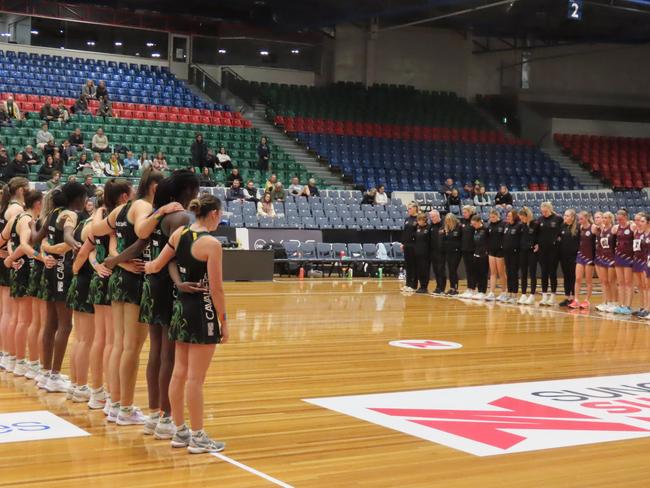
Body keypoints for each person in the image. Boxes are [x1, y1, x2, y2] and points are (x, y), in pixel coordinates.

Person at [92, 168, 182, 425]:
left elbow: (95, 230)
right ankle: (125, 408)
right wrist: (161, 212)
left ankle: (114, 402)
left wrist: (116, 260)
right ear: (154, 187)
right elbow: (143, 232)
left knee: (119, 344)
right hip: (134, 281)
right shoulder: (143, 206)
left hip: (118, 280)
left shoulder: (120, 209)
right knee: (130, 347)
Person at [144, 194, 228, 454]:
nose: (220, 219)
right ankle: (199, 436)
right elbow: (216, 289)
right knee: (195, 378)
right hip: (203, 312)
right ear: (213, 213)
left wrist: (144, 266)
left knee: (179, 373)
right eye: (220, 215)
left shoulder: (179, 233)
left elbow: (157, 265)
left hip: (179, 307)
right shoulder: (211, 244)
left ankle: (180, 431)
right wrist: (224, 322)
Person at [138, 170, 200, 439]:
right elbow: (175, 257)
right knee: (169, 356)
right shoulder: (183, 217)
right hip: (168, 285)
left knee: (155, 353)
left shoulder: (157, 215)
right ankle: (166, 417)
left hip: (151, 285)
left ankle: (154, 415)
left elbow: (141, 241)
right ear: (185, 191)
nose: (196, 196)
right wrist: (179, 283)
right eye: (194, 190)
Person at [39, 182, 88, 393]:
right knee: (65, 325)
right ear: (78, 198)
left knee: (50, 324)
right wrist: (56, 248)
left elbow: (37, 239)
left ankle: (45, 372)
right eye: (85, 197)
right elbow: (68, 239)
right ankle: (55, 375)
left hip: (49, 271)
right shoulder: (70, 214)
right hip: (62, 270)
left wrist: (44, 251)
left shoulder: (52, 213)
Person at [2, 189, 53, 377]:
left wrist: (8, 253)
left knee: (17, 318)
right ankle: (27, 363)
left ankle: (13, 359)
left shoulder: (15, 219)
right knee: (28, 321)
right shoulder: (27, 220)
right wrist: (40, 258)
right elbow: (24, 245)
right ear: (38, 204)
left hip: (19, 268)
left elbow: (6, 239)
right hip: (27, 268)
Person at [0, 177, 30, 374]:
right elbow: (12, 240)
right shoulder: (16, 210)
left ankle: (5, 353)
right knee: (10, 313)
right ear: (20, 190)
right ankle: (8, 354)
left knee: (6, 312)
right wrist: (9, 255)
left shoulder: (7, 207)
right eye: (26, 189)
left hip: (5, 259)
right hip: (10, 261)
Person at [537, 202, 563, 306]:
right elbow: (536, 233)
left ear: (550, 209)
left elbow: (563, 231)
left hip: (554, 250)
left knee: (552, 273)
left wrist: (558, 239)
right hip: (542, 250)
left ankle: (552, 296)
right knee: (544, 273)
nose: (544, 213)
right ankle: (544, 296)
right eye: (542, 211)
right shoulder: (539, 220)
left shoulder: (558, 219)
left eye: (546, 211)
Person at [569, 211, 596, 309]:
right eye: (579, 219)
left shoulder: (593, 227)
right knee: (578, 278)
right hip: (581, 255)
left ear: (587, 218)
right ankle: (576, 299)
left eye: (581, 219)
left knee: (588, 280)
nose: (579, 220)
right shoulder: (580, 228)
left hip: (589, 257)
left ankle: (587, 300)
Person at [611, 209, 635, 315]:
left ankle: (628, 306)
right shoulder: (616, 228)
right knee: (620, 282)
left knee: (628, 283)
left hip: (629, 257)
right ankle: (621, 305)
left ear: (625, 216)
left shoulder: (632, 226)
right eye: (617, 219)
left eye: (620, 219)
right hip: (618, 257)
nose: (619, 221)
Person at [594, 212, 618, 313]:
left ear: (611, 219)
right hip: (603, 258)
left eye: (606, 218)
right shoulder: (602, 230)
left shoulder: (613, 229)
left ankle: (615, 302)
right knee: (605, 281)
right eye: (603, 217)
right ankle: (607, 302)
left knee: (612, 281)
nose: (604, 219)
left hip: (612, 258)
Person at [558, 209, 580, 307]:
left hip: (574, 256)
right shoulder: (562, 226)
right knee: (566, 276)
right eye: (564, 215)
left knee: (573, 277)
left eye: (567, 216)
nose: (565, 217)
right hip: (563, 256)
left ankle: (575, 298)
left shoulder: (578, 228)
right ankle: (568, 297)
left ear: (572, 217)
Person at [517, 207, 539, 305]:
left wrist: (538, 244)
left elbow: (540, 237)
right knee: (523, 273)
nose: (521, 219)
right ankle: (523, 294)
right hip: (522, 252)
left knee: (532, 273)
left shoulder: (535, 224)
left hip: (532, 252)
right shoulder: (521, 225)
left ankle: (532, 294)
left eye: (522, 217)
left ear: (527, 216)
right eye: (520, 218)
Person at [486, 208, 507, 301]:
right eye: (490, 217)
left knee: (501, 273)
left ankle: (504, 292)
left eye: (493, 217)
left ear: (498, 216)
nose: (492, 218)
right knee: (493, 273)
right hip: (491, 251)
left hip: (500, 251)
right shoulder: (489, 226)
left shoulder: (503, 224)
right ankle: (491, 292)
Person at [502, 209, 523, 303]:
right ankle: (509, 292)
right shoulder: (506, 226)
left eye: (509, 216)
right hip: (506, 253)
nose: (508, 218)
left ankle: (514, 294)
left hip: (515, 253)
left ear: (514, 217)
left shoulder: (519, 225)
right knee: (509, 273)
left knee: (514, 273)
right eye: (507, 216)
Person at [458, 206, 477, 298]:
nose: (463, 214)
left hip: (472, 249)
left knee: (473, 270)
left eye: (465, 212)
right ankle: (469, 288)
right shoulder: (463, 222)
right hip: (465, 249)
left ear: (470, 212)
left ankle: (473, 289)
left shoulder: (474, 220)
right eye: (463, 212)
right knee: (468, 270)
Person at [632, 213, 649, 317]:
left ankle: (647, 308)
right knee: (642, 286)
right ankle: (643, 307)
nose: (638, 223)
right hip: (639, 260)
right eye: (637, 220)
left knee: (647, 286)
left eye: (642, 221)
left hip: (645, 261)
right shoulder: (639, 233)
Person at [442, 213, 462, 296]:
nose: (448, 222)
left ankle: (455, 288)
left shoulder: (459, 227)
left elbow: (461, 239)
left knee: (453, 269)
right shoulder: (447, 229)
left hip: (456, 252)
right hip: (449, 252)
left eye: (449, 220)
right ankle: (451, 287)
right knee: (450, 270)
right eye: (446, 221)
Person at [470, 214, 489, 300]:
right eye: (472, 224)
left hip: (484, 255)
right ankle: (479, 290)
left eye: (475, 224)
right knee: (476, 273)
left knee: (483, 274)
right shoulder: (475, 230)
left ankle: (483, 291)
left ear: (479, 222)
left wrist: (486, 252)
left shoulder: (485, 230)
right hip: (476, 254)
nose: (473, 226)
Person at [401, 202, 418, 293]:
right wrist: (403, 243)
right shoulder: (407, 219)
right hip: (406, 245)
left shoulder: (418, 218)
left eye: (410, 208)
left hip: (414, 245)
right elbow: (405, 232)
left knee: (414, 265)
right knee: (408, 265)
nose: (409, 210)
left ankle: (413, 285)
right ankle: (407, 284)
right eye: (408, 209)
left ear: (415, 208)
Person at [428, 210, 446, 295]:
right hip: (433, 251)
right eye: (431, 217)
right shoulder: (431, 226)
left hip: (441, 251)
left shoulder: (444, 225)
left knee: (441, 269)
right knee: (435, 270)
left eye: (433, 217)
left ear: (438, 216)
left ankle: (442, 288)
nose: (432, 219)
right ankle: (438, 287)